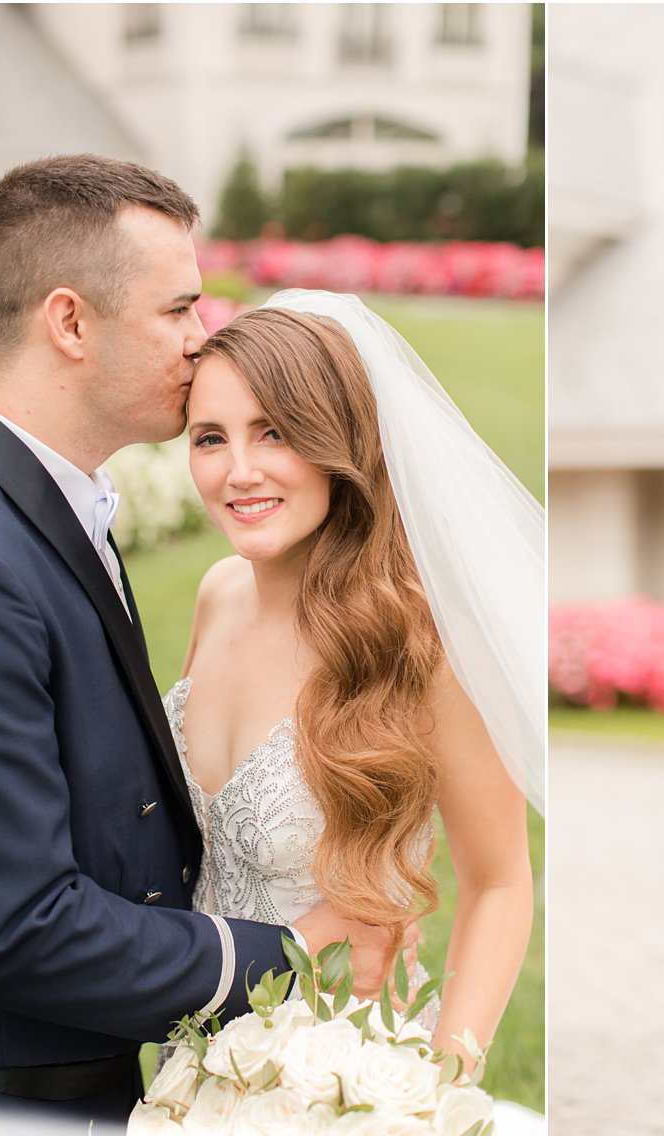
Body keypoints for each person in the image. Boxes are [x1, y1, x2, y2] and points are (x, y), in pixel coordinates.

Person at [0, 156, 412, 1135]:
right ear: (70, 322)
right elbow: (17, 929)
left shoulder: (41, 509)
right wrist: (289, 946)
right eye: (178, 308)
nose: (199, 334)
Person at [174, 290, 542, 1070]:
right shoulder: (215, 597)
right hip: (193, 1062)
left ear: (335, 440)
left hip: (347, 1072)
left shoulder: (426, 643)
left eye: (274, 432)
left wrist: (442, 1089)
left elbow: (500, 882)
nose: (239, 471)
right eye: (211, 438)